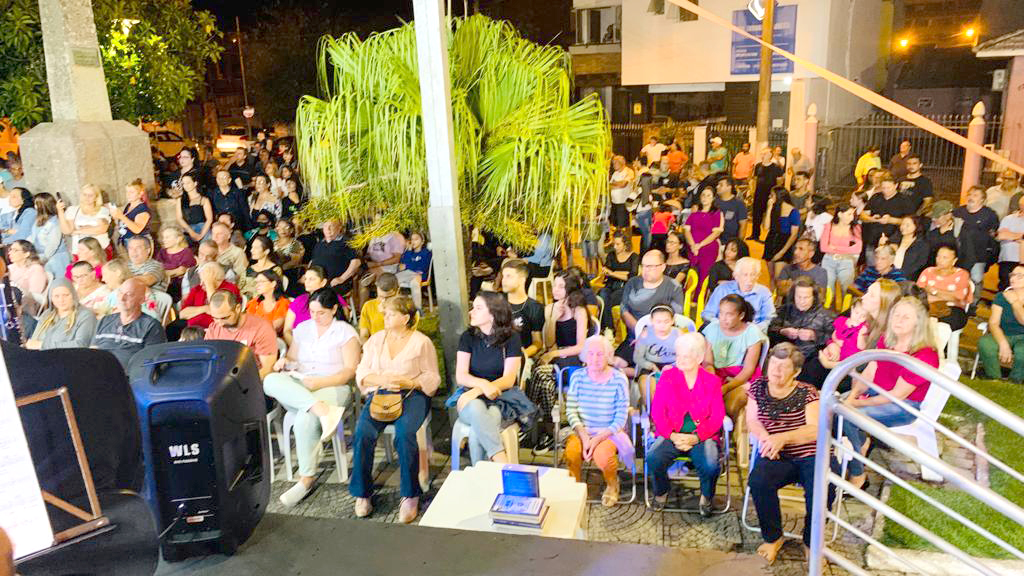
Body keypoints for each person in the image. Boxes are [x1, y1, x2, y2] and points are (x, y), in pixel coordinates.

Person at [265, 288, 360, 507]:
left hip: (332, 383)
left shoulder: (345, 332)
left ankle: (306, 478)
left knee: (304, 418)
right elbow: (292, 357)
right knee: (270, 380)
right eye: (312, 312)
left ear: (334, 309)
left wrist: (320, 383)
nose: (315, 317)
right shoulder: (303, 328)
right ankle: (322, 410)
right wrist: (285, 362)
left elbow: (349, 371)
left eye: (321, 313)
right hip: (302, 383)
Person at [350, 295, 439, 522]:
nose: (385, 317)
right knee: (362, 432)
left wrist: (409, 383)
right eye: (385, 313)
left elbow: (432, 376)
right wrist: (377, 379)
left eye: (390, 313)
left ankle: (410, 494)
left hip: (412, 395)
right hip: (381, 394)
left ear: (405, 317)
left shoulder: (421, 342)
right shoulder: (376, 340)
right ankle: (362, 493)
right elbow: (362, 371)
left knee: (405, 433)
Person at [842, 297, 938, 488]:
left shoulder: (924, 355)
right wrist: (852, 396)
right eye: (896, 315)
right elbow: (869, 372)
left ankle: (857, 474)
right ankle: (859, 445)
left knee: (847, 416)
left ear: (918, 323)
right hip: (878, 392)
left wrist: (856, 404)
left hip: (905, 405)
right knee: (832, 403)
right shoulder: (887, 339)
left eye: (905, 317)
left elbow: (897, 395)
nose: (898, 320)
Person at [746, 343, 820, 564]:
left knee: (822, 489)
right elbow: (752, 419)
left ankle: (811, 542)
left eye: (784, 367)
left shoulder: (808, 392)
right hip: (776, 454)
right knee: (758, 481)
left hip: (808, 454)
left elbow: (815, 429)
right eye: (774, 365)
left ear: (796, 372)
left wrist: (783, 438)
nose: (776, 371)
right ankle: (773, 537)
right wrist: (767, 438)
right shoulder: (758, 387)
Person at [648, 332, 724, 515]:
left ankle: (706, 496)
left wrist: (695, 438)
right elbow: (657, 411)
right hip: (672, 434)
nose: (680, 360)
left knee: (710, 466)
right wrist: (673, 435)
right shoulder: (668, 377)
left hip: (701, 436)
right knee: (653, 459)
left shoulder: (712, 382)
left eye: (686, 356)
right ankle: (661, 491)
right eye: (678, 355)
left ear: (699, 358)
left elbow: (717, 416)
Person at [453, 292, 524, 464]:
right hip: (469, 397)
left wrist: (478, 390)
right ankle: (501, 461)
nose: (471, 312)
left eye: (478, 308)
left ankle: (481, 476)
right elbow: (461, 375)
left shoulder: (512, 338)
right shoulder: (468, 337)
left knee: (479, 431)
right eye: (473, 307)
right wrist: (481, 386)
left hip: (500, 397)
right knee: (477, 410)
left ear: (493, 313)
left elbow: (508, 379)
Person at [564, 335, 631, 507]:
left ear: (609, 355)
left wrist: (597, 439)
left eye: (600, 354)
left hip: (609, 432)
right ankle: (576, 487)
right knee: (572, 453)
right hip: (582, 430)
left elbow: (621, 417)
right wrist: (585, 437)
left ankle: (612, 484)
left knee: (603, 457)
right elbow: (571, 410)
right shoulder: (578, 377)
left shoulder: (618, 379)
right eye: (591, 353)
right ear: (585, 356)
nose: (595, 359)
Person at [703, 294, 768, 420]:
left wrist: (727, 387)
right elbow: (707, 362)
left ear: (741, 316)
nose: (723, 318)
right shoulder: (712, 329)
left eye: (729, 314)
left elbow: (748, 369)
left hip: (740, 378)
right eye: (721, 313)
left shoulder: (752, 333)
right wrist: (714, 382)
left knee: (731, 405)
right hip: (715, 374)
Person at [91, 278, 166, 369]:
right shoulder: (105, 321)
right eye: (120, 293)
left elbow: (151, 363)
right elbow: (92, 351)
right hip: (98, 373)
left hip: (128, 378)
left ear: (142, 300)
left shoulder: (151, 326)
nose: (122, 298)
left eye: (129, 294)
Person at [205, 290, 278, 380]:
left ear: (238, 308)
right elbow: (207, 361)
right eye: (215, 318)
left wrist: (238, 385)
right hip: (221, 379)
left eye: (225, 318)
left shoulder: (262, 328)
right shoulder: (214, 328)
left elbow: (267, 370)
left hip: (250, 381)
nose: (220, 323)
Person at [619, 250, 685, 344]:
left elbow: (675, 317)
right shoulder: (632, 283)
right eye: (643, 266)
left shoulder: (673, 286)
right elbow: (624, 310)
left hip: (664, 339)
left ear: (662, 267)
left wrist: (652, 337)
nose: (645, 270)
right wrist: (640, 332)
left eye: (650, 267)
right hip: (635, 337)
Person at [978, 263, 1024, 382]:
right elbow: (993, 323)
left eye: (1019, 276)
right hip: (1004, 333)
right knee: (985, 344)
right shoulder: (1001, 296)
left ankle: (1016, 381)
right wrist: (1003, 343)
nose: (1013, 278)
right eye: (1012, 275)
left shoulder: (1011, 298)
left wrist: (1015, 303)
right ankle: (994, 378)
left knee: (1022, 352)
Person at [767, 277, 834, 360]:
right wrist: (782, 331)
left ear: (814, 297)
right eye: (799, 297)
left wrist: (815, 336)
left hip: (811, 359)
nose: (802, 301)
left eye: (806, 298)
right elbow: (770, 330)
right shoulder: (784, 310)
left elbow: (835, 339)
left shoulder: (826, 316)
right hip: (783, 356)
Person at [702, 257, 775, 332]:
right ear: (736, 276)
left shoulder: (764, 292)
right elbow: (708, 314)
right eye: (745, 275)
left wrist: (753, 329)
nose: (749, 279)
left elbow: (769, 318)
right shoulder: (722, 289)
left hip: (751, 334)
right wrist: (722, 325)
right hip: (722, 331)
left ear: (758, 276)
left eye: (753, 275)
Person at [954, 186, 999, 306]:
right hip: (960, 254)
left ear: (983, 200)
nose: (971, 197)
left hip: (979, 255)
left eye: (975, 195)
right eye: (969, 194)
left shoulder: (989, 215)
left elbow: (994, 234)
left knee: (976, 280)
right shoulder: (959, 212)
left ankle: (973, 305)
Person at [633, 304, 684, 406]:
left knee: (675, 393)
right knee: (648, 391)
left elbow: (685, 356)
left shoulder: (679, 334)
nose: (662, 325)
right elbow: (637, 357)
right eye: (658, 322)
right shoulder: (646, 333)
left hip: (673, 366)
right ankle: (652, 412)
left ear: (672, 321)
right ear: (652, 321)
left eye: (666, 321)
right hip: (650, 366)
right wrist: (650, 366)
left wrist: (674, 366)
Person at [25, 278, 96, 350]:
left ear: (73, 295)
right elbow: (34, 341)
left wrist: (43, 345)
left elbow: (81, 344)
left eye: (65, 295)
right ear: (51, 298)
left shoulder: (85, 315)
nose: (61, 300)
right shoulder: (47, 314)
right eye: (56, 296)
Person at [285, 265, 348, 346]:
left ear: (323, 282)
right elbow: (287, 330)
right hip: (298, 346)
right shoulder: (299, 300)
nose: (307, 282)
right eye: (305, 279)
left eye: (312, 279)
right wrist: (297, 347)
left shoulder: (334, 299)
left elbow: (342, 325)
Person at [861, 171, 914, 265]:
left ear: (896, 185)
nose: (886, 190)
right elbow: (863, 215)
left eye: (888, 187)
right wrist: (872, 219)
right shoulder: (876, 197)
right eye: (883, 188)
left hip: (893, 241)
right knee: (872, 268)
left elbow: (911, 222)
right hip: (872, 240)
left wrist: (892, 220)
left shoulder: (904, 200)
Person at [175, 262, 240, 336]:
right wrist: (205, 308)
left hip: (220, 331)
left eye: (204, 280)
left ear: (217, 280)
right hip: (194, 332)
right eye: (201, 280)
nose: (201, 284)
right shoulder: (197, 289)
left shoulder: (230, 288)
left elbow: (218, 308)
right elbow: (182, 314)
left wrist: (209, 284)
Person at [916, 244, 971, 331]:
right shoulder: (928, 271)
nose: (940, 260)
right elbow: (918, 292)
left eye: (945, 258)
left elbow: (958, 297)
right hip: (927, 307)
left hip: (953, 310)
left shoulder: (962, 274)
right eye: (938, 256)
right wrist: (946, 294)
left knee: (940, 326)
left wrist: (934, 291)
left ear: (954, 260)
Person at [501, 259, 545, 360]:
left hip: (520, 356)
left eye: (509, 276)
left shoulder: (534, 307)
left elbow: (537, 342)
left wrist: (522, 355)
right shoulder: (496, 303)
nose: (503, 280)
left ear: (522, 279)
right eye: (503, 276)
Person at [819, 203, 863, 296]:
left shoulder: (855, 227)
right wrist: (847, 249)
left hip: (846, 261)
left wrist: (835, 248)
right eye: (849, 214)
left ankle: (845, 309)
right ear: (839, 214)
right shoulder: (829, 226)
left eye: (852, 214)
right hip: (828, 260)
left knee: (846, 290)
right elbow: (823, 247)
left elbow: (857, 249)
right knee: (827, 288)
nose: (851, 217)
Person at [683, 186, 723, 285]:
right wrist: (692, 245)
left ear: (713, 198)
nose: (705, 198)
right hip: (692, 247)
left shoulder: (716, 214)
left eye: (709, 195)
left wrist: (700, 245)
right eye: (703, 195)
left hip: (708, 247)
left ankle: (699, 298)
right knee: (690, 274)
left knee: (704, 275)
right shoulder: (694, 213)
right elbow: (686, 230)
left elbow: (716, 233)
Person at [598, 233, 639, 330]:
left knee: (612, 298)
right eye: (614, 244)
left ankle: (608, 328)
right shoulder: (611, 255)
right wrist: (622, 274)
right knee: (602, 295)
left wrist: (613, 273)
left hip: (626, 287)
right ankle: (609, 328)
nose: (615, 247)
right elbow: (606, 272)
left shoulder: (634, 257)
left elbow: (632, 276)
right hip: (610, 285)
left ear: (625, 244)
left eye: (618, 244)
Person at [56, 184, 111, 254]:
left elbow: (102, 229)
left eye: (90, 195)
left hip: (100, 249)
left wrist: (77, 231)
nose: (87, 198)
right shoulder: (73, 210)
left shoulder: (102, 210)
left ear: (96, 197)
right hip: (79, 251)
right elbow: (67, 231)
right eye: (84, 195)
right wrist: (60, 211)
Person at [311, 219, 361, 296]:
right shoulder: (319, 244)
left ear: (339, 227)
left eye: (331, 226)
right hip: (318, 281)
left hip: (336, 282)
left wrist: (342, 278)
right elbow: (313, 262)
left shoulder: (346, 242)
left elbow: (356, 262)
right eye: (325, 226)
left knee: (324, 296)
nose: (328, 229)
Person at [763, 187, 801, 286]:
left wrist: (782, 252)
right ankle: (771, 299)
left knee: (779, 277)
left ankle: (780, 299)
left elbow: (794, 235)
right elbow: (766, 227)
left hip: (784, 242)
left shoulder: (793, 211)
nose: (769, 197)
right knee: (771, 276)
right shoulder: (773, 208)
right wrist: (769, 208)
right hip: (771, 240)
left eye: (772, 195)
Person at [28, 192, 71, 279]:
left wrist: (43, 259)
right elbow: (32, 238)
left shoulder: (55, 222)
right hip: (40, 257)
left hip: (57, 258)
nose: (34, 207)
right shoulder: (37, 222)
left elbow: (53, 244)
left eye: (36, 204)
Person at [749, 148, 785, 241]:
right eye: (762, 153)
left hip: (770, 195)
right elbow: (755, 179)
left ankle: (771, 237)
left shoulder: (776, 167)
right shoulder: (758, 166)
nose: (762, 155)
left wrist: (775, 194)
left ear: (770, 155)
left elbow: (780, 181)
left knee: (771, 215)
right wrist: (753, 191)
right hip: (758, 194)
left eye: (764, 153)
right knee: (756, 215)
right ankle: (755, 234)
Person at [155, 227, 195, 300]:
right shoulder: (162, 252)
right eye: (163, 237)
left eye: (167, 237)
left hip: (181, 287)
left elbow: (182, 270)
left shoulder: (186, 252)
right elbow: (157, 270)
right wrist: (175, 271)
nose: (164, 240)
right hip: (164, 285)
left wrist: (165, 272)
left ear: (178, 239)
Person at [395, 230, 431, 310]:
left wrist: (408, 266)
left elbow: (422, 268)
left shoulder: (426, 253)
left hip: (420, 276)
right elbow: (402, 267)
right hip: (408, 277)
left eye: (416, 239)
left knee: (414, 279)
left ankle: (418, 310)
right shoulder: (409, 253)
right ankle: (418, 311)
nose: (413, 241)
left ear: (422, 241)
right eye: (412, 239)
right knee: (414, 282)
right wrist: (408, 251)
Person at [246, 269, 290, 334]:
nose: (257, 285)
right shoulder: (254, 302)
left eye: (261, 282)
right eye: (257, 282)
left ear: (273, 284)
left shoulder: (283, 303)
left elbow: (275, 327)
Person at [358, 272, 400, 341]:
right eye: (380, 296)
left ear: (397, 291)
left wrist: (386, 315)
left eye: (388, 297)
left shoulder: (406, 309)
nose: (383, 301)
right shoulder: (368, 306)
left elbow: (404, 337)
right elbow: (364, 336)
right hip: (374, 347)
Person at [110, 179, 151, 247]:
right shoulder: (129, 205)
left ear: (140, 193)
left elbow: (137, 229)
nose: (128, 195)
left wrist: (121, 216)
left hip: (138, 243)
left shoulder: (142, 209)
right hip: (126, 240)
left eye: (131, 192)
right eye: (127, 192)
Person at [997, 194, 1024, 291]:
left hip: (1022, 260)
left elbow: (1006, 235)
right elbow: (1001, 236)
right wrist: (1021, 236)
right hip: (1007, 259)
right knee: (1005, 287)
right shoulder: (1009, 218)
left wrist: (1010, 235)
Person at [175, 174, 213, 243]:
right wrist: (191, 232)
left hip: (202, 227)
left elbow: (209, 219)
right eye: (183, 183)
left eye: (188, 183)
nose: (185, 185)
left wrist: (201, 235)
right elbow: (179, 218)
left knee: (209, 240)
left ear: (195, 183)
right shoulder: (180, 199)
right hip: (187, 228)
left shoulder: (204, 199)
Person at [211, 221, 248, 288]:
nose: (215, 237)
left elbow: (241, 276)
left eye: (219, 234)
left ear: (228, 235)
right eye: (213, 234)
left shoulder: (237, 252)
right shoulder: (209, 250)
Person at [274, 218, 305, 295]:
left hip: (289, 274)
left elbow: (296, 260)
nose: (283, 230)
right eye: (280, 227)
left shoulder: (296, 244)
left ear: (291, 230)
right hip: (274, 273)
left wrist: (281, 261)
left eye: (286, 227)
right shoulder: (273, 242)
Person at [715, 176, 747, 243]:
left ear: (729, 187)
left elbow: (743, 225)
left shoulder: (738, 204)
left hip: (729, 242)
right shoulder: (714, 202)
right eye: (717, 185)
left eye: (721, 185)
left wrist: (738, 244)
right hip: (714, 241)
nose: (717, 187)